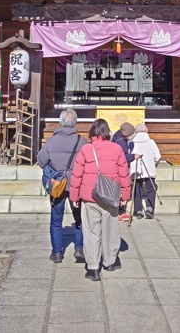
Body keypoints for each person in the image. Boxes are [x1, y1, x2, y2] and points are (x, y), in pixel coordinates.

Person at [68, 119, 131, 281]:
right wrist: (125, 195)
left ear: (92, 132)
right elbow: (124, 174)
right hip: (110, 197)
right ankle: (110, 262)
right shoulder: (116, 149)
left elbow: (76, 175)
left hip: (90, 197)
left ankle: (93, 267)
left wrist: (74, 196)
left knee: (91, 232)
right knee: (111, 229)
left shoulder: (85, 150)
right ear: (107, 131)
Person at [36, 108, 86, 265]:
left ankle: (57, 252)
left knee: (56, 220)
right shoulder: (82, 142)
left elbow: (41, 161)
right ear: (75, 122)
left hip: (57, 184)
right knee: (79, 218)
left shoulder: (51, 141)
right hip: (76, 185)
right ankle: (79, 248)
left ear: (60, 122)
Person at [130, 123, 162, 219]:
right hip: (149, 168)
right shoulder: (151, 142)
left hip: (136, 169)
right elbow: (158, 156)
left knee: (137, 189)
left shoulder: (132, 142)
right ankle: (149, 209)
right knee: (150, 189)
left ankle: (138, 210)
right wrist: (154, 162)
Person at [111, 122, 136, 222]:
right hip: (120, 168)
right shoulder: (121, 142)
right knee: (122, 188)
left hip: (117, 168)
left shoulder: (117, 138)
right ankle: (120, 212)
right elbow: (122, 158)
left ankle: (120, 211)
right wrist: (133, 156)